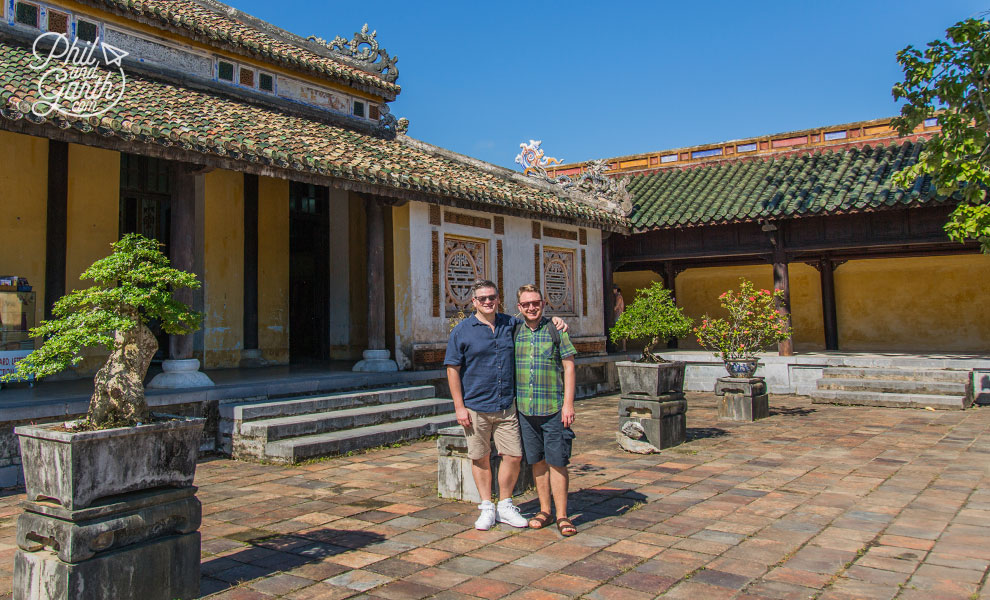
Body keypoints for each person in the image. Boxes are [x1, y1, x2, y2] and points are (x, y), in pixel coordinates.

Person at [445, 280, 567, 530]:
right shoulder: (462, 331)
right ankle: (486, 506)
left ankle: (505, 503)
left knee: (513, 455)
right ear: (474, 302)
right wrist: (459, 406)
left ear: (498, 299)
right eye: (483, 298)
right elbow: (452, 369)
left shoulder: (510, 324)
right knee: (480, 457)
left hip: (507, 405)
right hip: (475, 405)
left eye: (492, 297)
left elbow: (534, 319)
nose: (488, 302)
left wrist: (556, 319)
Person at [513, 284, 578, 537]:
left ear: (543, 304)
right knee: (537, 461)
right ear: (519, 308)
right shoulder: (514, 331)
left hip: (552, 408)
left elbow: (569, 367)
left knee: (558, 461)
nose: (531, 307)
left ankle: (562, 515)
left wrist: (568, 404)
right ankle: (544, 510)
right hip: (526, 410)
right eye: (526, 304)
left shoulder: (555, 330)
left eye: (536, 303)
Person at [613, 285, 626, 351]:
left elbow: (617, 306)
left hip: (619, 316)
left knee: (620, 332)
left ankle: (623, 348)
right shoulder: (617, 297)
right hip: (618, 316)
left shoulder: (619, 297)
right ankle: (620, 347)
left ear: (615, 289)